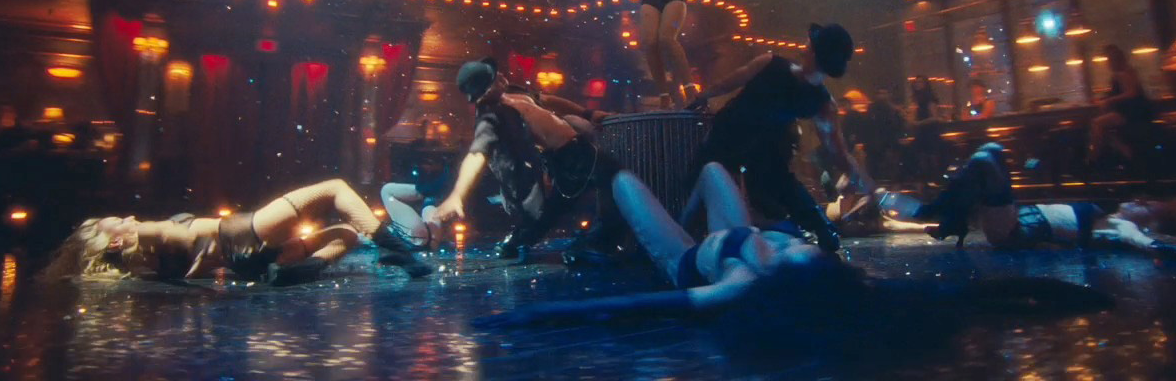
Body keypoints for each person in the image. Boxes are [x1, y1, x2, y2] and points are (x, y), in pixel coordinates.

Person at [473, 161, 1114, 333]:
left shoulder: (740, 286)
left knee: (619, 179)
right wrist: (1064, 294)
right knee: (714, 168)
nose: (798, 250)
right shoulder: (825, 272)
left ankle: (654, 238)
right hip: (725, 229)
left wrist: (528, 317)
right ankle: (676, 220)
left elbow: (635, 310)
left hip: (683, 262)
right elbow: (966, 297)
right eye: (805, 252)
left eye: (796, 256)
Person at [686, 23, 871, 253]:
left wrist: (701, 96)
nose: (804, 46)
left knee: (703, 181)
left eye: (809, 44)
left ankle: (691, 234)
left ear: (813, 52)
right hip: (764, 148)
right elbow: (836, 150)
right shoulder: (822, 102)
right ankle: (818, 228)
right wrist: (860, 178)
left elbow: (730, 81)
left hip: (732, 136)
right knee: (778, 187)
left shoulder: (771, 63)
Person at [41, 178, 432, 286]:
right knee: (335, 188)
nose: (128, 216)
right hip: (242, 234)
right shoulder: (147, 234)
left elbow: (192, 265)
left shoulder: (147, 267)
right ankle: (397, 248)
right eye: (119, 221)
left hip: (247, 264)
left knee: (345, 233)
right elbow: (190, 244)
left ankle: (299, 271)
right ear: (114, 240)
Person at [434, 58, 626, 265]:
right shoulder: (491, 114)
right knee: (610, 178)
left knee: (560, 205)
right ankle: (597, 242)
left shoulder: (514, 92)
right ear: (486, 90)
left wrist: (587, 113)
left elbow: (548, 99)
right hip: (566, 155)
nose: (501, 76)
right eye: (494, 78)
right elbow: (476, 154)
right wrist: (458, 194)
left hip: (575, 149)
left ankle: (518, 241)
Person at [892, 143, 1176, 262]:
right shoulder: (1106, 216)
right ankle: (948, 220)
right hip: (1012, 219)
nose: (1137, 200)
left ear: (1149, 222)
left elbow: (1148, 244)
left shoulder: (1123, 228)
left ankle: (934, 212)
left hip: (1011, 232)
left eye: (1145, 206)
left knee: (985, 159)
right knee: (991, 152)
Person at [1087, 44, 1154, 164]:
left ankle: (1093, 159)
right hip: (1134, 110)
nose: (1108, 64)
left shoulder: (1123, 73)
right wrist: (1105, 99)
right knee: (1107, 130)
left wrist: (1109, 100)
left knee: (1097, 123)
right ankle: (1126, 152)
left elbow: (1131, 92)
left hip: (1131, 112)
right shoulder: (1127, 71)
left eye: (1109, 60)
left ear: (1115, 60)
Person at [909, 76, 945, 180]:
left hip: (929, 131)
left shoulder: (929, 99)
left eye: (920, 82)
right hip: (920, 132)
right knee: (921, 156)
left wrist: (919, 123)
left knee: (931, 156)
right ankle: (926, 178)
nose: (918, 84)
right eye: (916, 82)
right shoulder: (916, 99)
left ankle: (935, 178)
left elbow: (934, 117)